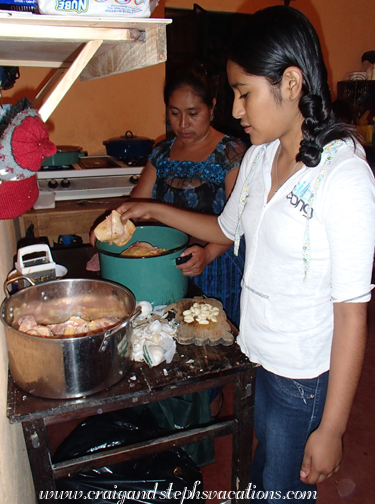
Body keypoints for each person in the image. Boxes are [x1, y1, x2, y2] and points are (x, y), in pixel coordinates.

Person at [115, 6, 375, 502]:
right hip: (257, 354)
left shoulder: (344, 177)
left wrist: (334, 427)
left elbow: (351, 313)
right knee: (266, 465)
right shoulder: (259, 157)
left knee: (283, 487)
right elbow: (225, 228)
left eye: (244, 94)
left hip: (303, 373)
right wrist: (151, 210)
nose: (236, 111)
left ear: (292, 82)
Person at [128, 63, 248, 329]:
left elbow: (238, 224)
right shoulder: (161, 152)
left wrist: (207, 254)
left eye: (193, 113)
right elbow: (137, 205)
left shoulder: (232, 152)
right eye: (174, 113)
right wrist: (111, 237)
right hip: (166, 265)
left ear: (212, 107)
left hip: (217, 264)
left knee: (214, 336)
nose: (183, 124)